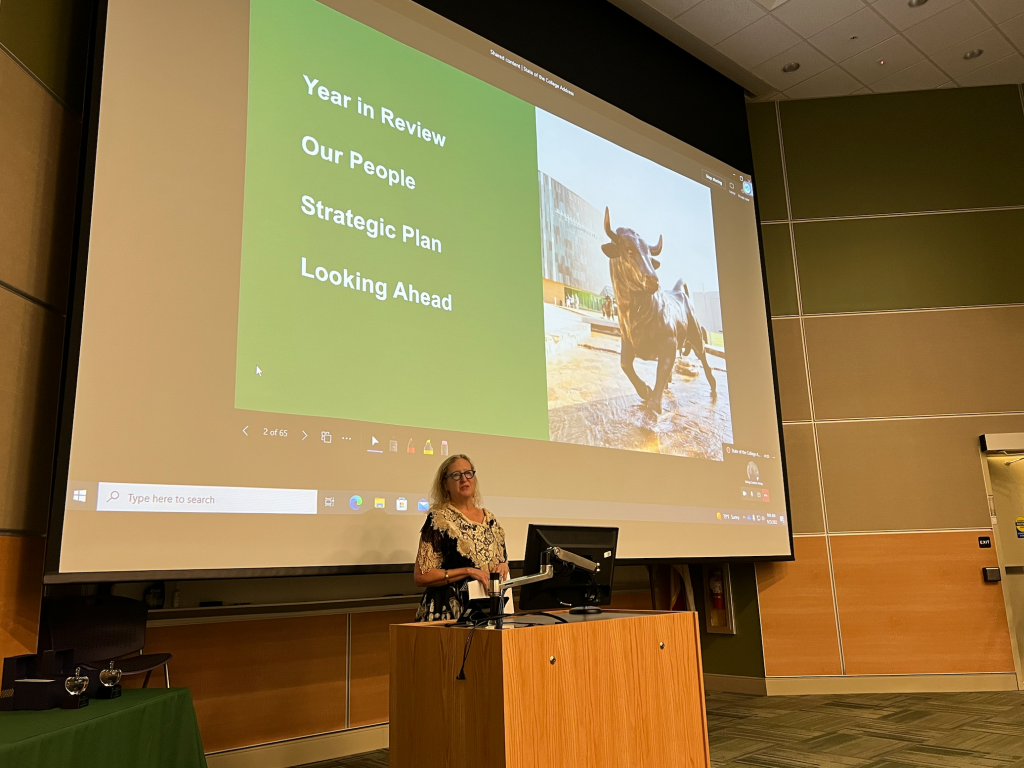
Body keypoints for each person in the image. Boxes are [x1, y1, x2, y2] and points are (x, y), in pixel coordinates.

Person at [414, 454, 509, 621]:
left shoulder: (490, 520)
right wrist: (468, 571)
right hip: (448, 615)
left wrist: (503, 566)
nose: (464, 479)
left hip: (487, 613)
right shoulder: (439, 520)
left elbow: (502, 560)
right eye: (456, 475)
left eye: (468, 473)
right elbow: (422, 575)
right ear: (445, 484)